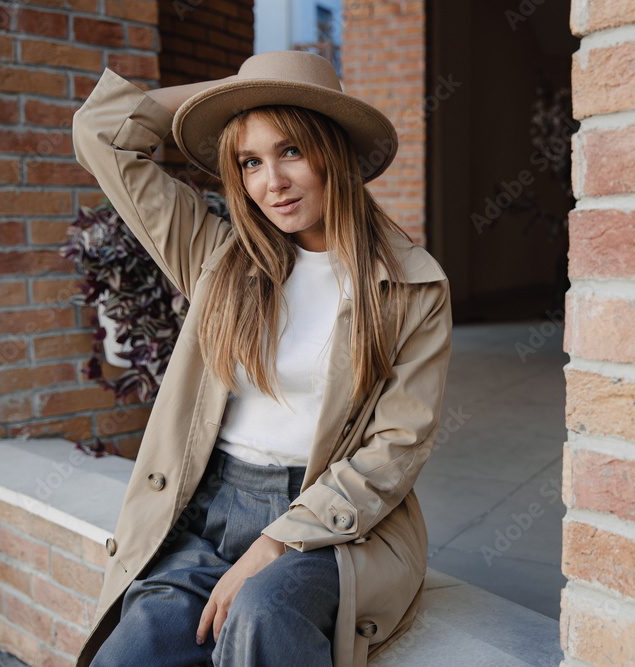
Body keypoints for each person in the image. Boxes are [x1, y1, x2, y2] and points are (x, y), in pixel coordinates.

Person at [70, 50, 452, 667]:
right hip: (209, 508)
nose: (270, 181)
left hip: (329, 520)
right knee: (130, 653)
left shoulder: (410, 286)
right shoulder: (217, 257)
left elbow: (397, 445)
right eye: (250, 161)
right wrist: (237, 90)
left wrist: (279, 539)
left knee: (261, 616)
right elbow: (100, 134)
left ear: (339, 153)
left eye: (292, 152)